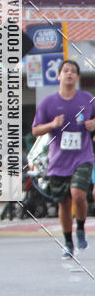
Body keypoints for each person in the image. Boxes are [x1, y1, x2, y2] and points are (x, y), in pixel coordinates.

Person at [32, 59, 95, 259]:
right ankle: (68, 242)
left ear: (77, 77)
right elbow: (35, 130)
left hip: (83, 156)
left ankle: (80, 229)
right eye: (65, 70)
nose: (69, 74)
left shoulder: (87, 99)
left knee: (78, 194)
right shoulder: (48, 103)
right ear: (58, 76)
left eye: (73, 71)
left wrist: (93, 124)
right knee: (64, 204)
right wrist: (52, 124)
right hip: (58, 162)